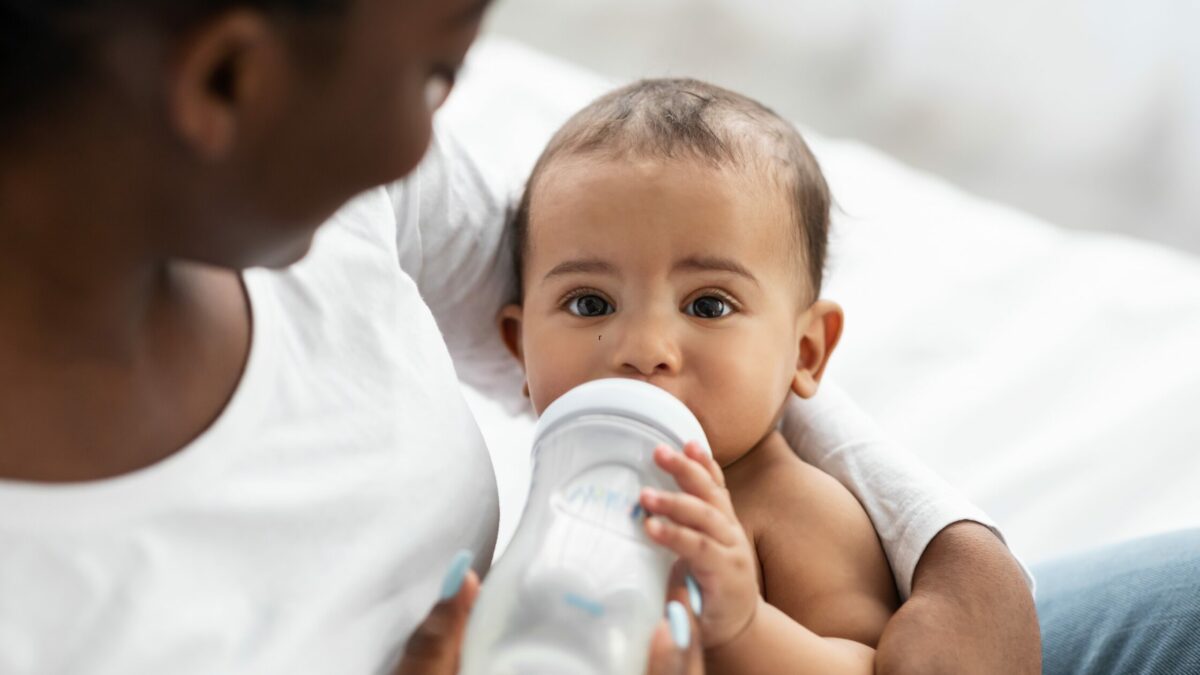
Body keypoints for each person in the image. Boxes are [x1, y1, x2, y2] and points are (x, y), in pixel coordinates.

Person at [24, 0, 1192, 672]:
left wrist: (953, 550)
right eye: (432, 82)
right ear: (228, 78)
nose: (426, 149)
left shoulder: (341, 204)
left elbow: (663, 323)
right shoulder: (60, 604)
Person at [496, 78, 898, 673]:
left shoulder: (797, 509)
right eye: (590, 304)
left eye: (708, 305)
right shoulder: (557, 493)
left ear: (806, 352)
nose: (644, 349)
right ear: (519, 347)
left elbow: (867, 665)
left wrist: (744, 626)